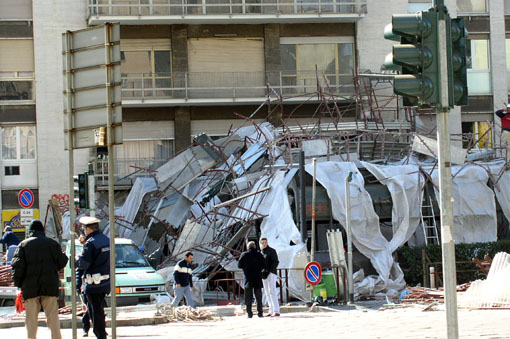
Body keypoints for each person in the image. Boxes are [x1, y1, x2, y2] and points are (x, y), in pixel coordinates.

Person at [11, 220, 68, 339]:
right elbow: (62, 261)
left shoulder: (23, 245)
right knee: (52, 317)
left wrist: (19, 285)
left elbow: (17, 267)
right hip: (49, 286)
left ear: (31, 231)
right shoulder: (52, 244)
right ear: (43, 231)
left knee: (31, 319)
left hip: (30, 288)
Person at [77, 216, 110, 339]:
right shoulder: (106, 239)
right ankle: (102, 332)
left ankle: (100, 334)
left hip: (93, 283)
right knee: (99, 309)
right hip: (105, 282)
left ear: (88, 229)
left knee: (94, 311)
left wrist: (78, 258)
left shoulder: (90, 244)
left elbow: (84, 263)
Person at [238, 241, 266, 318]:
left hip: (248, 278)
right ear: (255, 247)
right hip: (257, 278)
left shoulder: (244, 255)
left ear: (248, 247)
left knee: (248, 298)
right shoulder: (259, 254)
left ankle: (249, 313)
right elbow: (264, 264)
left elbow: (239, 265)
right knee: (258, 297)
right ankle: (260, 313)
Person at [260, 237, 280, 317]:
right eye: (262, 243)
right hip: (264, 274)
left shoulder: (272, 251)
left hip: (271, 273)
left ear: (267, 242)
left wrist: (271, 271)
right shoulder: (261, 252)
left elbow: (275, 261)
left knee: (272, 291)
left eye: (265, 242)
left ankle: (276, 310)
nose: (264, 244)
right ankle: (271, 310)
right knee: (267, 292)